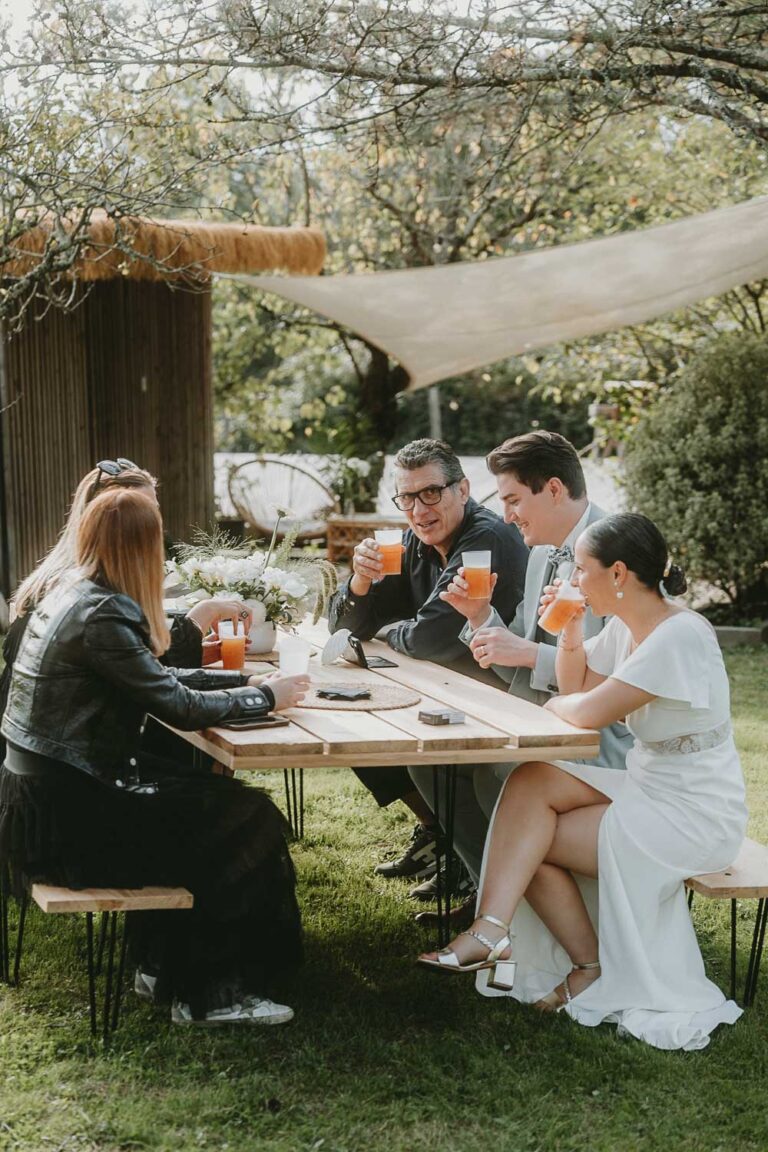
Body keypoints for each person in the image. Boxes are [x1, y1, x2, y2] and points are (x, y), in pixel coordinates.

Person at [419, 513, 747, 1052]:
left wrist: (563, 702)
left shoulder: (680, 635)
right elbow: (575, 681)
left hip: (694, 813)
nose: (572, 577)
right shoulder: (625, 625)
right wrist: (571, 628)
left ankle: (584, 963)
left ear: (619, 573)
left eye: (581, 568)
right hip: (648, 783)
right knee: (531, 782)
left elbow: (584, 710)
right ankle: (492, 929)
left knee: (533, 838)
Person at [1, 487, 311, 1026]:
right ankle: (209, 996)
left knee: (217, 804)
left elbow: (153, 677)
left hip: (41, 799)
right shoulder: (103, 612)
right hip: (71, 818)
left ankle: (160, 963)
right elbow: (178, 705)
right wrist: (264, 697)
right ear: (142, 546)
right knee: (245, 818)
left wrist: (243, 679)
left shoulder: (74, 593)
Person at [419, 432, 633, 893]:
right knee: (434, 764)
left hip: (603, 739)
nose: (507, 515)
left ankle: (507, 898)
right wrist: (479, 617)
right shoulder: (540, 555)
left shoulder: (618, 552)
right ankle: (491, 890)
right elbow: (515, 662)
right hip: (535, 717)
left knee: (490, 771)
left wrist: (528, 653)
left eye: (513, 499)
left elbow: (617, 679)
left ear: (554, 489)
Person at [328, 438, 527, 910]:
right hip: (445, 689)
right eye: (406, 498)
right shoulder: (411, 543)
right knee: (359, 722)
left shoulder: (485, 540)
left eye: (430, 494)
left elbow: (431, 638)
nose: (418, 510)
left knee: (406, 743)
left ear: (462, 489)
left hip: (501, 693)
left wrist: (395, 629)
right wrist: (359, 581)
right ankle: (448, 844)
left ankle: (484, 881)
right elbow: (344, 628)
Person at [1, 459, 254, 769]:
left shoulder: (73, 580)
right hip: (70, 756)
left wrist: (241, 678)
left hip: (51, 748)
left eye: (153, 509)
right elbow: (153, 684)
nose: (154, 521)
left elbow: (129, 664)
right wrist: (202, 618)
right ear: (111, 517)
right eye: (142, 510)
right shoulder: (89, 596)